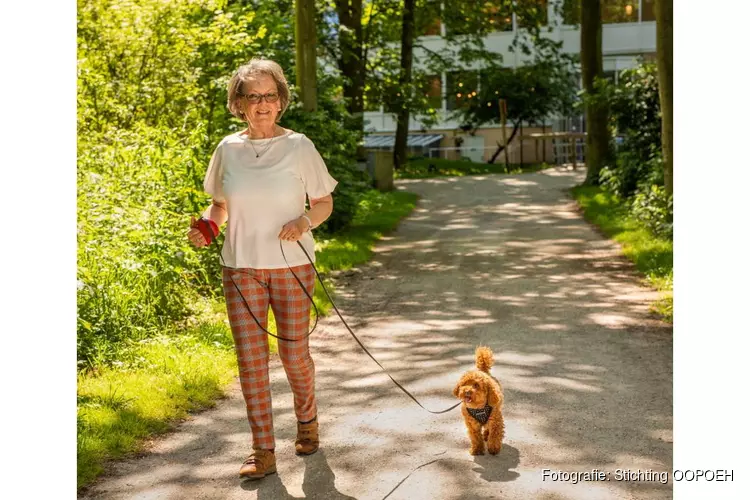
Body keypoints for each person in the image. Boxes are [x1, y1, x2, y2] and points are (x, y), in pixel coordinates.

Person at [187, 58, 337, 480]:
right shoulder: (227, 149)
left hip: (293, 267)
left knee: (293, 355)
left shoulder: (299, 146)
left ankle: (307, 422)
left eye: (270, 95)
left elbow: (323, 202)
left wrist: (304, 221)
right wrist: (208, 227)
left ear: (281, 99)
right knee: (251, 362)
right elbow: (219, 204)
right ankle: (262, 451)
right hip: (240, 269)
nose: (262, 103)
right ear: (238, 103)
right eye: (252, 96)